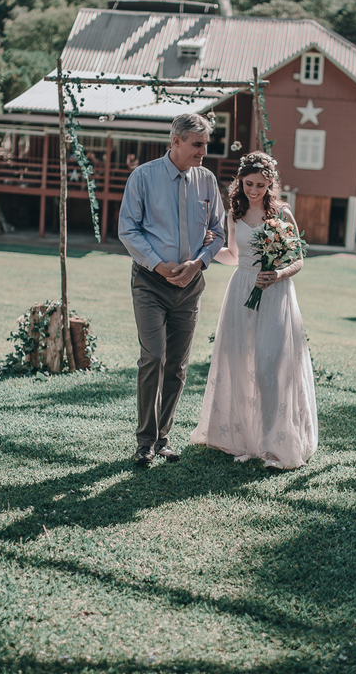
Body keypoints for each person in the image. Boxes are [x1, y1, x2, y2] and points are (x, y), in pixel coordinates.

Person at [188, 152, 316, 469]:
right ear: (240, 182)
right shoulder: (235, 214)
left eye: (260, 185)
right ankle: (242, 436)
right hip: (241, 290)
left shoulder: (283, 213)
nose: (254, 190)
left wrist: (279, 274)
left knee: (270, 365)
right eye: (248, 184)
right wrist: (211, 248)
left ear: (271, 183)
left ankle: (276, 443)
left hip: (275, 293)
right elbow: (235, 254)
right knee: (238, 359)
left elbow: (298, 259)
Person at [118, 113, 226, 467]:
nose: (203, 151)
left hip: (191, 285)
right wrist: (157, 264)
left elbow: (219, 231)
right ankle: (145, 442)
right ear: (176, 141)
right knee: (154, 357)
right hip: (150, 283)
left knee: (177, 366)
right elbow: (128, 230)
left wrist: (200, 262)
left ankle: (163, 438)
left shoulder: (207, 181)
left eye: (206, 144)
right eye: (197, 144)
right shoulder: (143, 177)